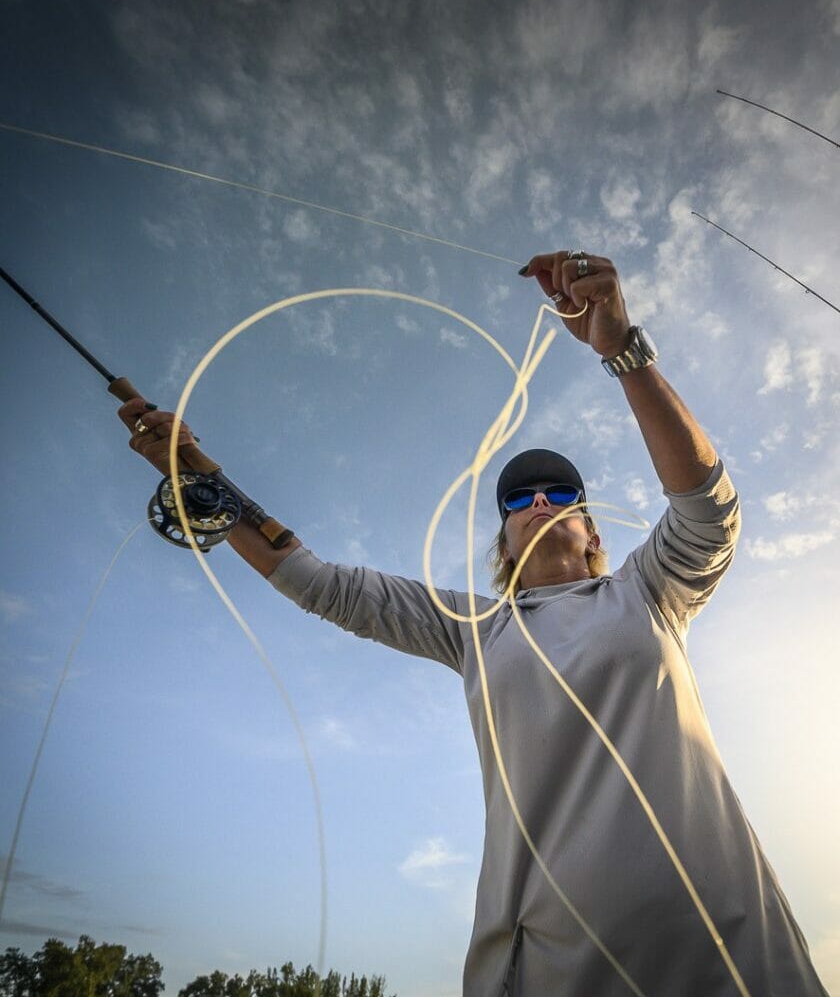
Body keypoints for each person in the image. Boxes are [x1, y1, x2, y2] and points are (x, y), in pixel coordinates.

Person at [119, 251, 828, 996]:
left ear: (594, 535)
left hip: (730, 955)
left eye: (562, 493)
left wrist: (623, 350)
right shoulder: (471, 628)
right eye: (519, 501)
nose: (540, 502)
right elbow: (319, 583)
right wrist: (195, 472)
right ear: (504, 542)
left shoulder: (648, 593)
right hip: (551, 968)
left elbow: (709, 511)